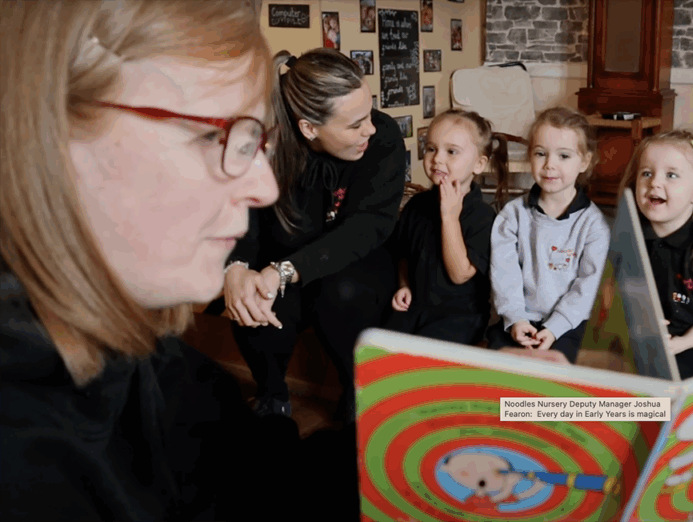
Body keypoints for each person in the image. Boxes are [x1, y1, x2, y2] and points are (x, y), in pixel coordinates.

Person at [1, 2, 360, 520]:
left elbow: (276, 482)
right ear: (46, 133)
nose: (263, 186)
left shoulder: (160, 370)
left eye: (256, 140)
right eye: (215, 134)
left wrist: (505, 408)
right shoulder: (24, 465)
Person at [211, 47, 406, 421]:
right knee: (258, 298)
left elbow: (366, 227)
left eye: (369, 113)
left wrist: (285, 270)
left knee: (342, 293)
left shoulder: (381, 140)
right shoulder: (262, 139)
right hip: (280, 253)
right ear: (309, 128)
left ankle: (357, 389)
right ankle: (272, 393)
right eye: (354, 124)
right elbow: (242, 211)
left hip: (354, 261)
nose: (370, 128)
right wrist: (236, 269)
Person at [488, 107, 611, 364]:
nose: (549, 165)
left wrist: (555, 327)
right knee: (500, 370)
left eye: (563, 156)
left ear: (585, 162)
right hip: (519, 319)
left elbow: (588, 287)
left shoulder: (594, 225)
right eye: (540, 153)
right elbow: (504, 274)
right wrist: (515, 319)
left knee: (554, 373)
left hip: (570, 323)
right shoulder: (512, 215)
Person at [618, 130, 693, 379]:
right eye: (646, 173)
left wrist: (679, 343)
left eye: (671, 175)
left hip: (688, 344)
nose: (654, 182)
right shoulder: (627, 238)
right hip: (635, 335)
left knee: (662, 389)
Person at [386, 110, 508, 344]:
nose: (437, 159)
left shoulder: (483, 217)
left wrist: (449, 217)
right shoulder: (417, 205)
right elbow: (402, 254)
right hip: (415, 307)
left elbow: (460, 274)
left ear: (479, 163)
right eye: (431, 148)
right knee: (380, 355)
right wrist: (404, 285)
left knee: (426, 368)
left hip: (459, 317)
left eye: (451, 151)